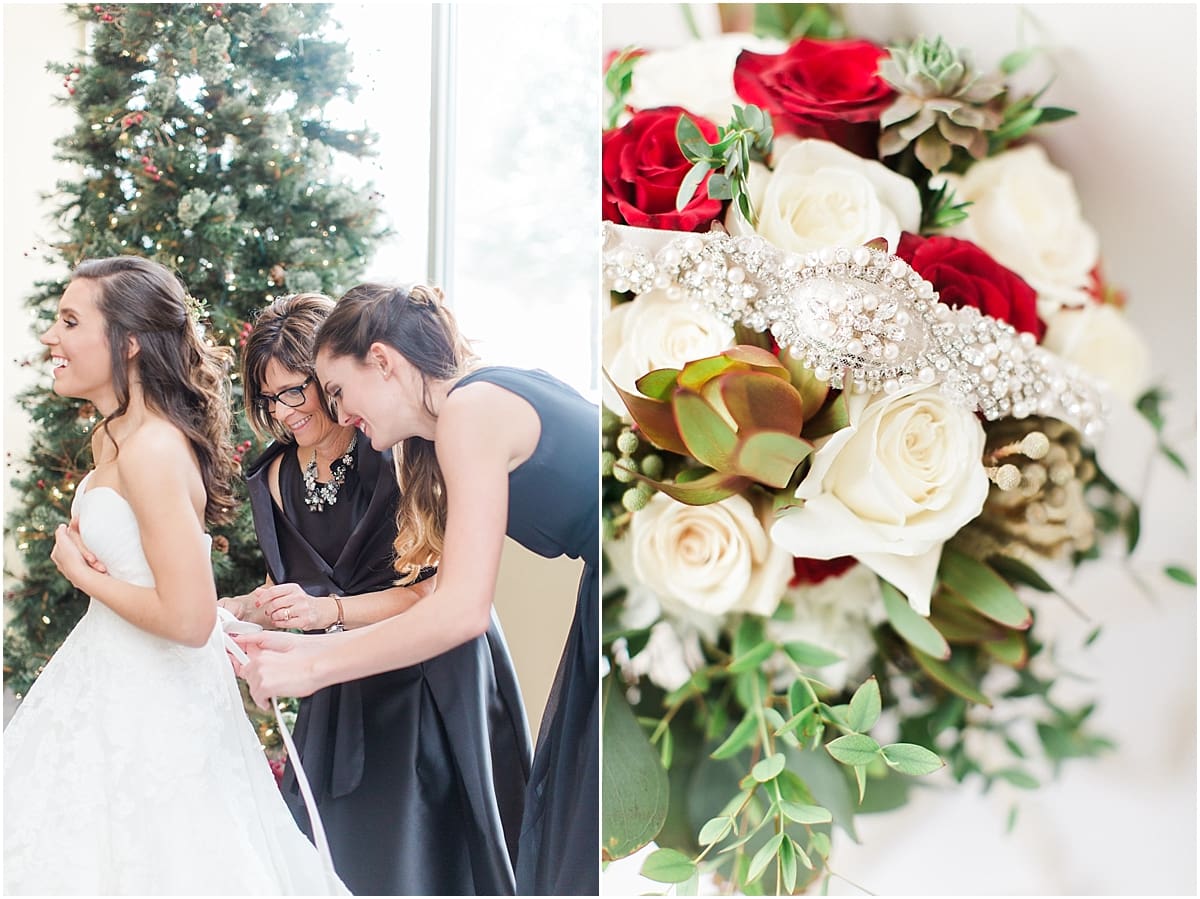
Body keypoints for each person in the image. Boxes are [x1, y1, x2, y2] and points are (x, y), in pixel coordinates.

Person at [235, 283, 599, 896]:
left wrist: (313, 665)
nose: (340, 413)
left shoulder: (470, 412)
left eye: (336, 390)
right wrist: (300, 643)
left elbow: (458, 610)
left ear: (382, 361)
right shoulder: (455, 421)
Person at [3, 256, 345, 895]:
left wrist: (82, 574)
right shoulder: (111, 438)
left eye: (70, 321)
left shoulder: (155, 449)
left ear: (129, 342)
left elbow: (187, 621)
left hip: (155, 701)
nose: (50, 337)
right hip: (106, 679)